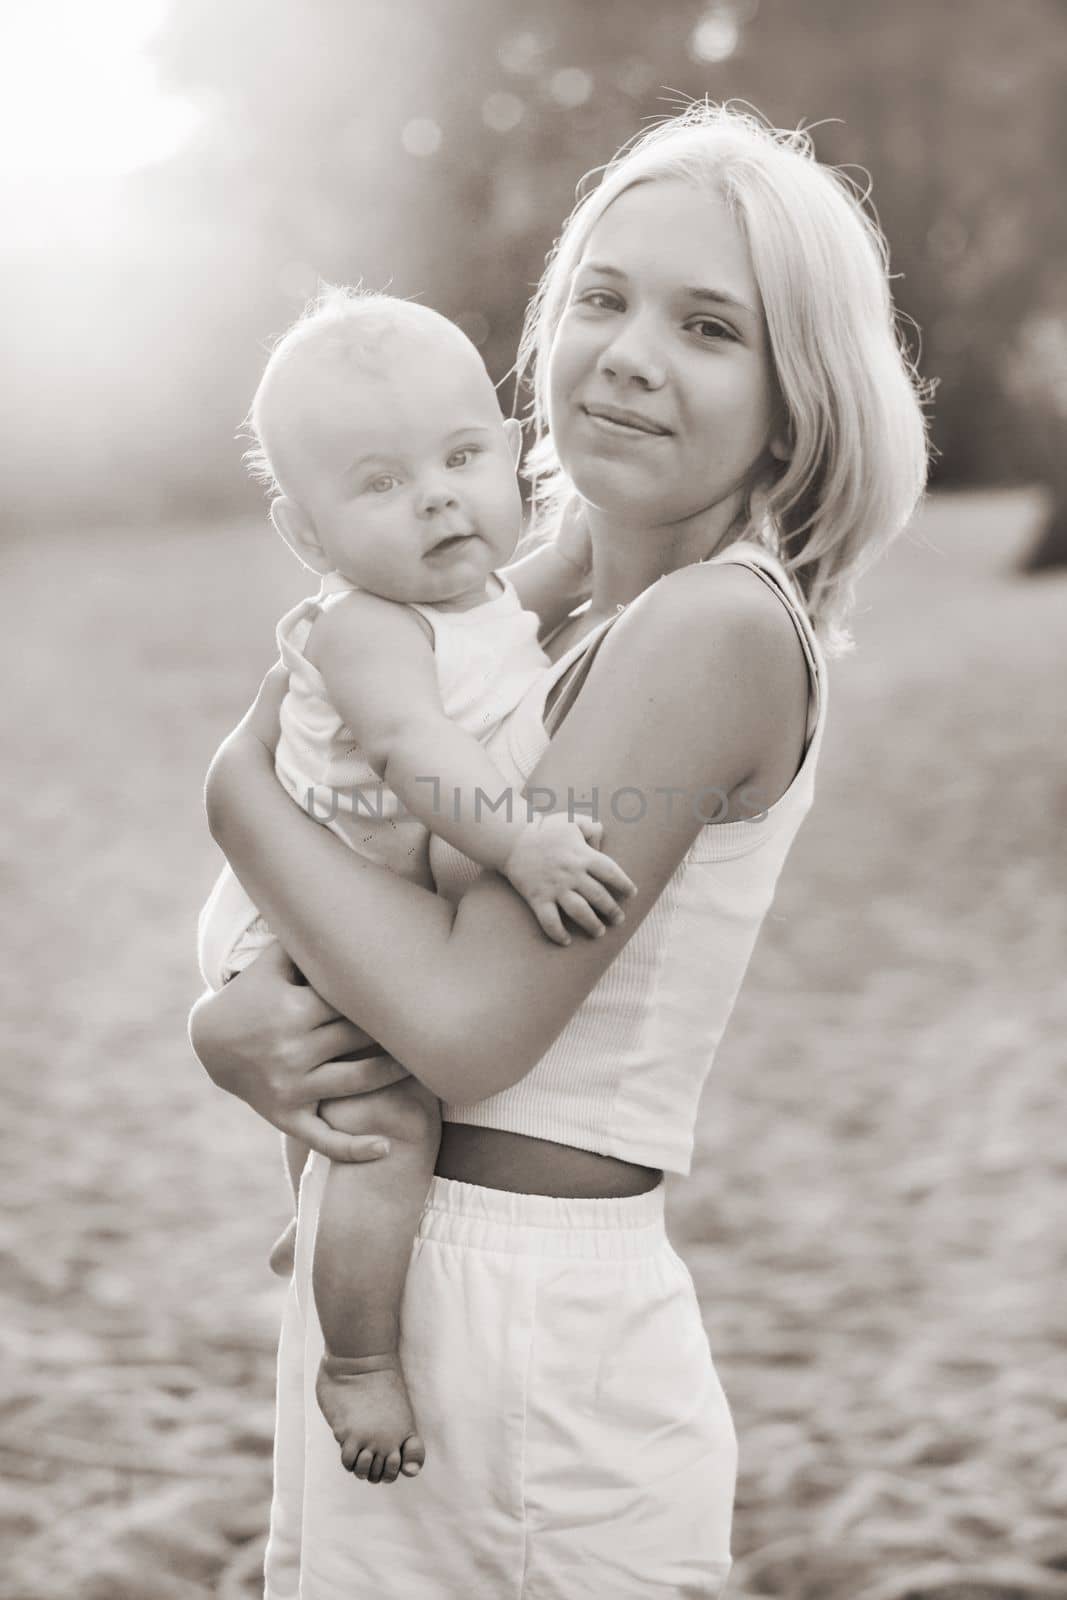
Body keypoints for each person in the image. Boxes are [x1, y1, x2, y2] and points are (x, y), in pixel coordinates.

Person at [188, 102, 928, 1600]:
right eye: (602, 295)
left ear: (794, 403)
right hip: (392, 1280)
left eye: (709, 326)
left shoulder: (714, 627)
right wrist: (227, 1034)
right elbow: (352, 785)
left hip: (526, 1336)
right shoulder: (545, 598)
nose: (630, 351)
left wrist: (230, 797)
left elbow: (460, 1025)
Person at [196, 288, 637, 1482]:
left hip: (357, 888)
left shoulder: (470, 593)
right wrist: (521, 844)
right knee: (386, 1124)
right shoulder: (361, 628)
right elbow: (416, 755)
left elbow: (535, 593)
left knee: (353, 1138)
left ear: (503, 448)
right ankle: (357, 1361)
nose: (438, 494)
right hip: (292, 915)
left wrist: (599, 540)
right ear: (306, 533)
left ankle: (327, 1228)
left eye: (459, 455)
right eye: (380, 482)